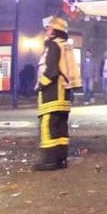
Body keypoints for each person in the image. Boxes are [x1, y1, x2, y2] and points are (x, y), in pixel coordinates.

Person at [33, 15, 79, 171]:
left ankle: (49, 161)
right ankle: (61, 160)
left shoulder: (53, 45)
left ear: (55, 31)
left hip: (52, 92)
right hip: (64, 92)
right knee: (60, 127)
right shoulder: (65, 45)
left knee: (48, 126)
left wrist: (40, 85)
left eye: (49, 28)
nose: (46, 30)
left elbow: (51, 71)